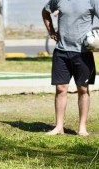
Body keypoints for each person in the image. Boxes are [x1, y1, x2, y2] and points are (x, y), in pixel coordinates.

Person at [42, 0, 99, 136]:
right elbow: (45, 12)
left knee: (83, 89)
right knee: (60, 89)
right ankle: (59, 127)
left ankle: (82, 128)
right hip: (61, 51)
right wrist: (51, 31)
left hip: (83, 53)